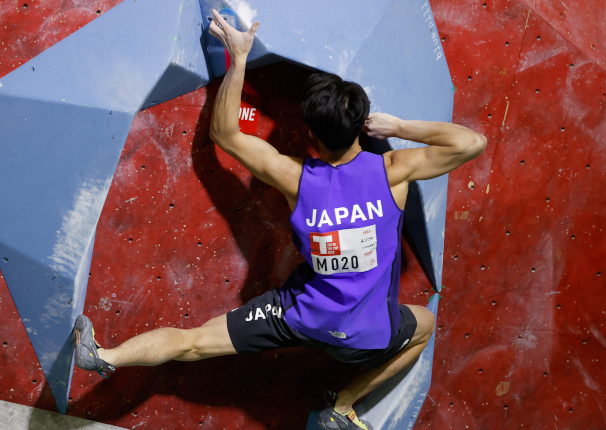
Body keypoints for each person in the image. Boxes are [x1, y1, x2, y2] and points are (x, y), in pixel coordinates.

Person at [71, 11, 486, 430]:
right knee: (425, 324)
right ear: (362, 123)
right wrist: (398, 126)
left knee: (193, 342)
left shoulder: (297, 178)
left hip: (299, 317)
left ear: (314, 135)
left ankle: (105, 357)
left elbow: (225, 134)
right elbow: (471, 142)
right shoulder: (392, 171)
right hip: (365, 336)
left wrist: (239, 58)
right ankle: (341, 407)